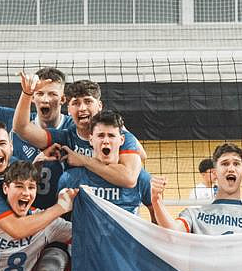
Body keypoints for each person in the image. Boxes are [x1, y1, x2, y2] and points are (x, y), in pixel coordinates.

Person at [0, 60, 71, 210]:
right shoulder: (14, 119)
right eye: (40, 93)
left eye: (52, 94)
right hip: (18, 212)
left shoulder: (72, 129)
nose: (45, 99)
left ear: (63, 99)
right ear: (33, 97)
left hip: (62, 213)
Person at [11, 75, 146, 191]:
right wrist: (27, 93)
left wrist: (82, 160)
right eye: (76, 103)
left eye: (88, 101)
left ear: (99, 106)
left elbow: (129, 177)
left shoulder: (119, 137)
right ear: (69, 109)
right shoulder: (64, 137)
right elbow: (22, 128)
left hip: (116, 204)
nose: (82, 108)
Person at [150, 144, 242, 234]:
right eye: (225, 163)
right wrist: (156, 201)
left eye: (236, 163)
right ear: (215, 173)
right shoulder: (194, 215)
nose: (231, 168)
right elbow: (173, 230)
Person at [57, 111, 152, 216]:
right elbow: (62, 221)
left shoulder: (141, 178)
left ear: (122, 140)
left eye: (111, 136)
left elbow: (156, 218)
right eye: (101, 136)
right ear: (91, 140)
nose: (106, 141)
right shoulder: (70, 178)